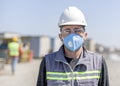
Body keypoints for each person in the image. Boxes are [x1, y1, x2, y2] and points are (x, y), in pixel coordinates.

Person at [37, 6, 109, 86]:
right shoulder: (48, 62)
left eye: (77, 30)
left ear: (85, 35)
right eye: (67, 30)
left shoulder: (98, 62)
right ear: (60, 36)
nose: (72, 35)